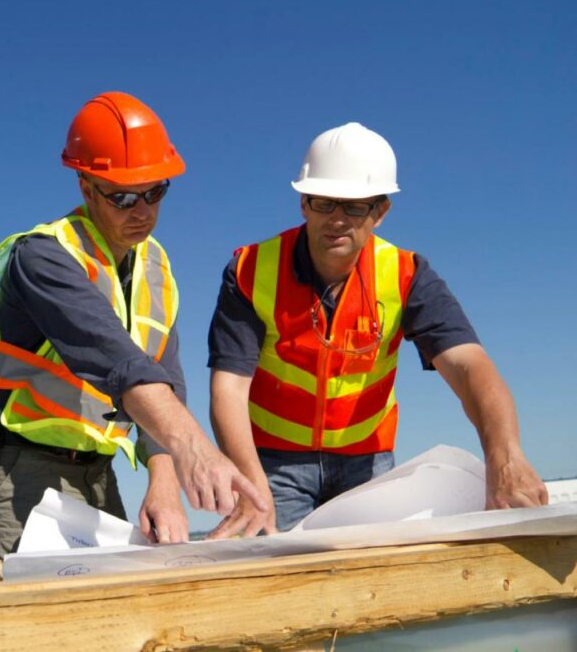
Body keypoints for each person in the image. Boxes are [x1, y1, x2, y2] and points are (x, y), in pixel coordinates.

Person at [206, 122, 548, 538]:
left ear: (380, 212)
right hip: (272, 463)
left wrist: (506, 457)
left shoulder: (407, 275)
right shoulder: (249, 270)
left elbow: (468, 366)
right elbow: (228, 388)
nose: (336, 220)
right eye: (324, 202)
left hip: (366, 463)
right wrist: (249, 481)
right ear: (303, 203)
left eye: (354, 206)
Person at [0, 91, 264, 560]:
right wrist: (195, 449)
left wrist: (163, 480)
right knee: (39, 621)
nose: (141, 210)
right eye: (122, 196)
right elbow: (121, 363)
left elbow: (164, 377)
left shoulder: (155, 267)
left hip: (96, 469)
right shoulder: (44, 257)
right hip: (18, 462)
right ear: (86, 187)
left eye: (154, 191)